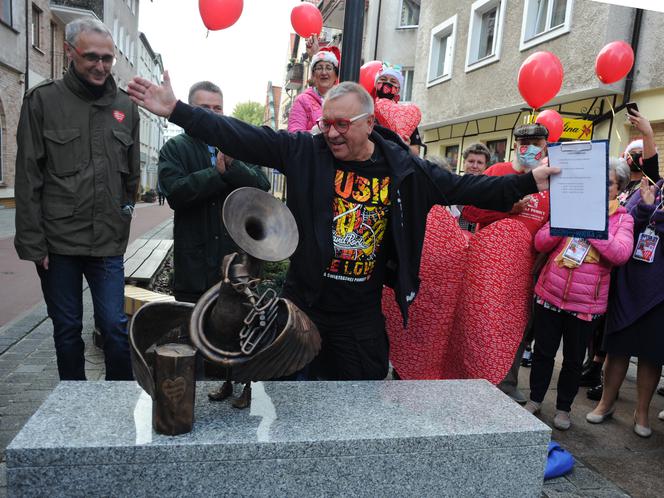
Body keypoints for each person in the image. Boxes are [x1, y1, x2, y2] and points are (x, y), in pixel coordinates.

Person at [127, 74, 558, 381]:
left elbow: (466, 186)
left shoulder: (403, 170)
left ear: (370, 124)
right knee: (291, 402)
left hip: (359, 314)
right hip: (304, 305)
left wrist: (526, 181)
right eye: (325, 122)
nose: (330, 133)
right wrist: (179, 111)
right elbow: (245, 137)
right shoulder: (305, 152)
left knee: (360, 400)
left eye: (342, 125)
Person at [14, 18, 138, 381]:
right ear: (70, 52)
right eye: (91, 57)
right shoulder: (43, 101)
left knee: (115, 329)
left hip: (107, 245)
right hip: (59, 244)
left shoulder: (125, 107)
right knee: (67, 333)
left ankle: (117, 407)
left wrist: (123, 221)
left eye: (108, 58)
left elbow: (130, 179)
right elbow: (28, 178)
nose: (101, 66)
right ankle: (73, 407)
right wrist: (34, 243)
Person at [524, 158, 634, 430]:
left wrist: (591, 227)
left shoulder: (623, 219)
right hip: (551, 294)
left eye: (608, 183)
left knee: (573, 361)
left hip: (586, 304)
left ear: (618, 187)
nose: (601, 187)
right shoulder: (571, 205)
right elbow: (541, 241)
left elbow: (620, 254)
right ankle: (535, 399)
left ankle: (563, 409)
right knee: (543, 353)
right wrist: (566, 221)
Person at [463, 123, 552, 403]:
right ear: (515, 145)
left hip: (526, 270)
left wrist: (544, 257)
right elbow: (469, 209)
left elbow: (556, 226)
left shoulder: (553, 180)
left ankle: (507, 382)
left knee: (517, 327)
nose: (529, 148)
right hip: (486, 267)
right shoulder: (496, 173)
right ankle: (472, 379)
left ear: (546, 146)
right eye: (523, 142)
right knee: (481, 322)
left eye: (536, 142)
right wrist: (505, 207)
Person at [158, 81, 270, 303]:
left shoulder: (241, 145)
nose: (211, 113)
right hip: (194, 270)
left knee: (236, 331)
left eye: (217, 108)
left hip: (237, 266)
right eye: (203, 108)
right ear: (190, 110)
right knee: (192, 331)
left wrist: (234, 168)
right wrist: (216, 174)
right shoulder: (175, 148)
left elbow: (262, 187)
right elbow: (174, 194)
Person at [585, 109, 661, 400]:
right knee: (607, 336)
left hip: (643, 277)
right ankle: (598, 382)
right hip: (617, 276)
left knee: (639, 347)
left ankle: (631, 405)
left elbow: (652, 177)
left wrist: (649, 134)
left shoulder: (649, 189)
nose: (638, 160)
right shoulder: (627, 190)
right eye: (635, 154)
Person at [586, 176, 664, 438]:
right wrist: (645, 208)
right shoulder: (651, 187)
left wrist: (655, 216)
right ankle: (605, 403)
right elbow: (625, 221)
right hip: (629, 283)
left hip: (659, 292)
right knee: (617, 348)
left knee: (652, 355)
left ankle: (642, 412)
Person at [373, 65, 424, 156]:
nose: (387, 83)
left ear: (398, 90)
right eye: (383, 79)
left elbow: (416, 152)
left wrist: (405, 146)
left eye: (393, 81)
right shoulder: (367, 107)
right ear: (376, 84)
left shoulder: (406, 115)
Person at [287, 47, 339, 133]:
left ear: (336, 76)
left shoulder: (343, 100)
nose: (324, 72)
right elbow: (294, 136)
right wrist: (315, 132)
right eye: (319, 68)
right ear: (313, 76)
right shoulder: (302, 100)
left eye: (329, 68)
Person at [456, 143, 491, 232]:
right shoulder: (455, 184)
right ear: (464, 162)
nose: (475, 166)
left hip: (481, 240)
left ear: (485, 166)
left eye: (479, 163)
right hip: (455, 238)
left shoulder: (490, 188)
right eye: (471, 161)